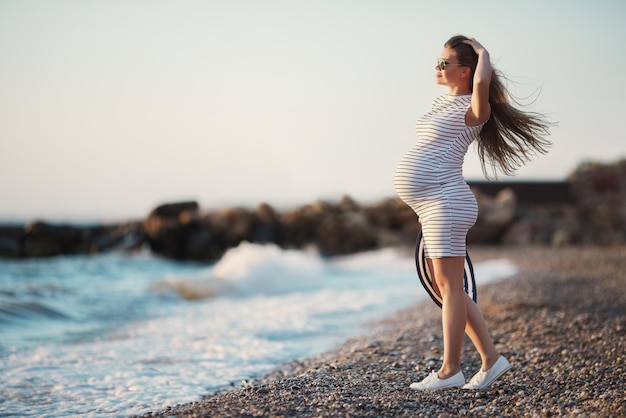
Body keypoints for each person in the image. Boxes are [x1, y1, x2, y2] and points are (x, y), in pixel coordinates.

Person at [394, 35, 552, 390]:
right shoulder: (442, 103)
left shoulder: (475, 109)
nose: (437, 66)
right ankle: (492, 361)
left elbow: (482, 83)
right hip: (434, 203)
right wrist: (421, 203)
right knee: (446, 286)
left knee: (450, 287)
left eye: (444, 62)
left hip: (446, 202)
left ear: (465, 71)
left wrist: (484, 53)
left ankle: (450, 371)